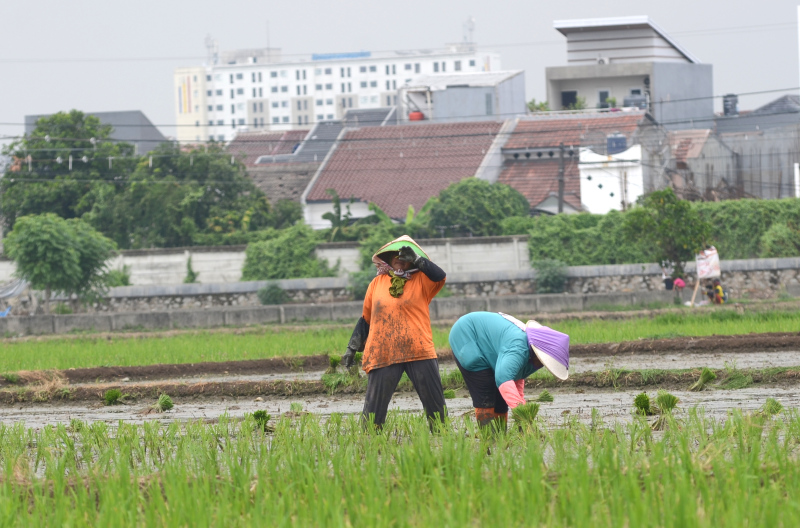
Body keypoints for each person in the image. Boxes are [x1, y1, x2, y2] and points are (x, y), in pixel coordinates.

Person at [342, 235, 447, 428]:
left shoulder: (422, 280)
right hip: (383, 351)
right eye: (395, 256)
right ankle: (370, 442)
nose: (399, 259)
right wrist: (352, 347)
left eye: (404, 257)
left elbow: (440, 275)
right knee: (373, 411)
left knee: (435, 406)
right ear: (388, 259)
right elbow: (366, 318)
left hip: (419, 350)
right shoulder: (377, 283)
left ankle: (441, 439)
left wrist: (417, 260)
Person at [448, 311, 570, 430]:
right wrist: (520, 411)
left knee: (502, 398)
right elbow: (503, 378)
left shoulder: (531, 357)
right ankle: (489, 439)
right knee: (486, 389)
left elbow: (515, 378)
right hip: (467, 336)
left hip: (488, 345)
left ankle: (501, 438)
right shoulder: (518, 347)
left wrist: (522, 408)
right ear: (539, 353)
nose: (544, 364)